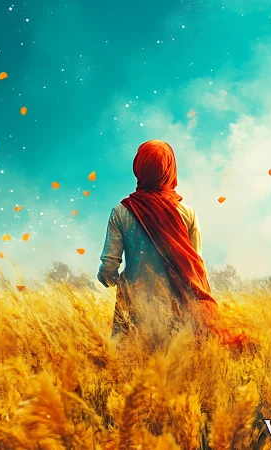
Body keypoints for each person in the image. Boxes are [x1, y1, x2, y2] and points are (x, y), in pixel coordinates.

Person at [97, 140, 245, 346]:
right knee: (178, 362)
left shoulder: (121, 212)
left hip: (133, 309)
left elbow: (108, 271)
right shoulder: (187, 214)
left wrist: (113, 281)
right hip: (178, 311)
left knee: (129, 362)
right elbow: (194, 268)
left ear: (138, 167)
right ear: (170, 169)